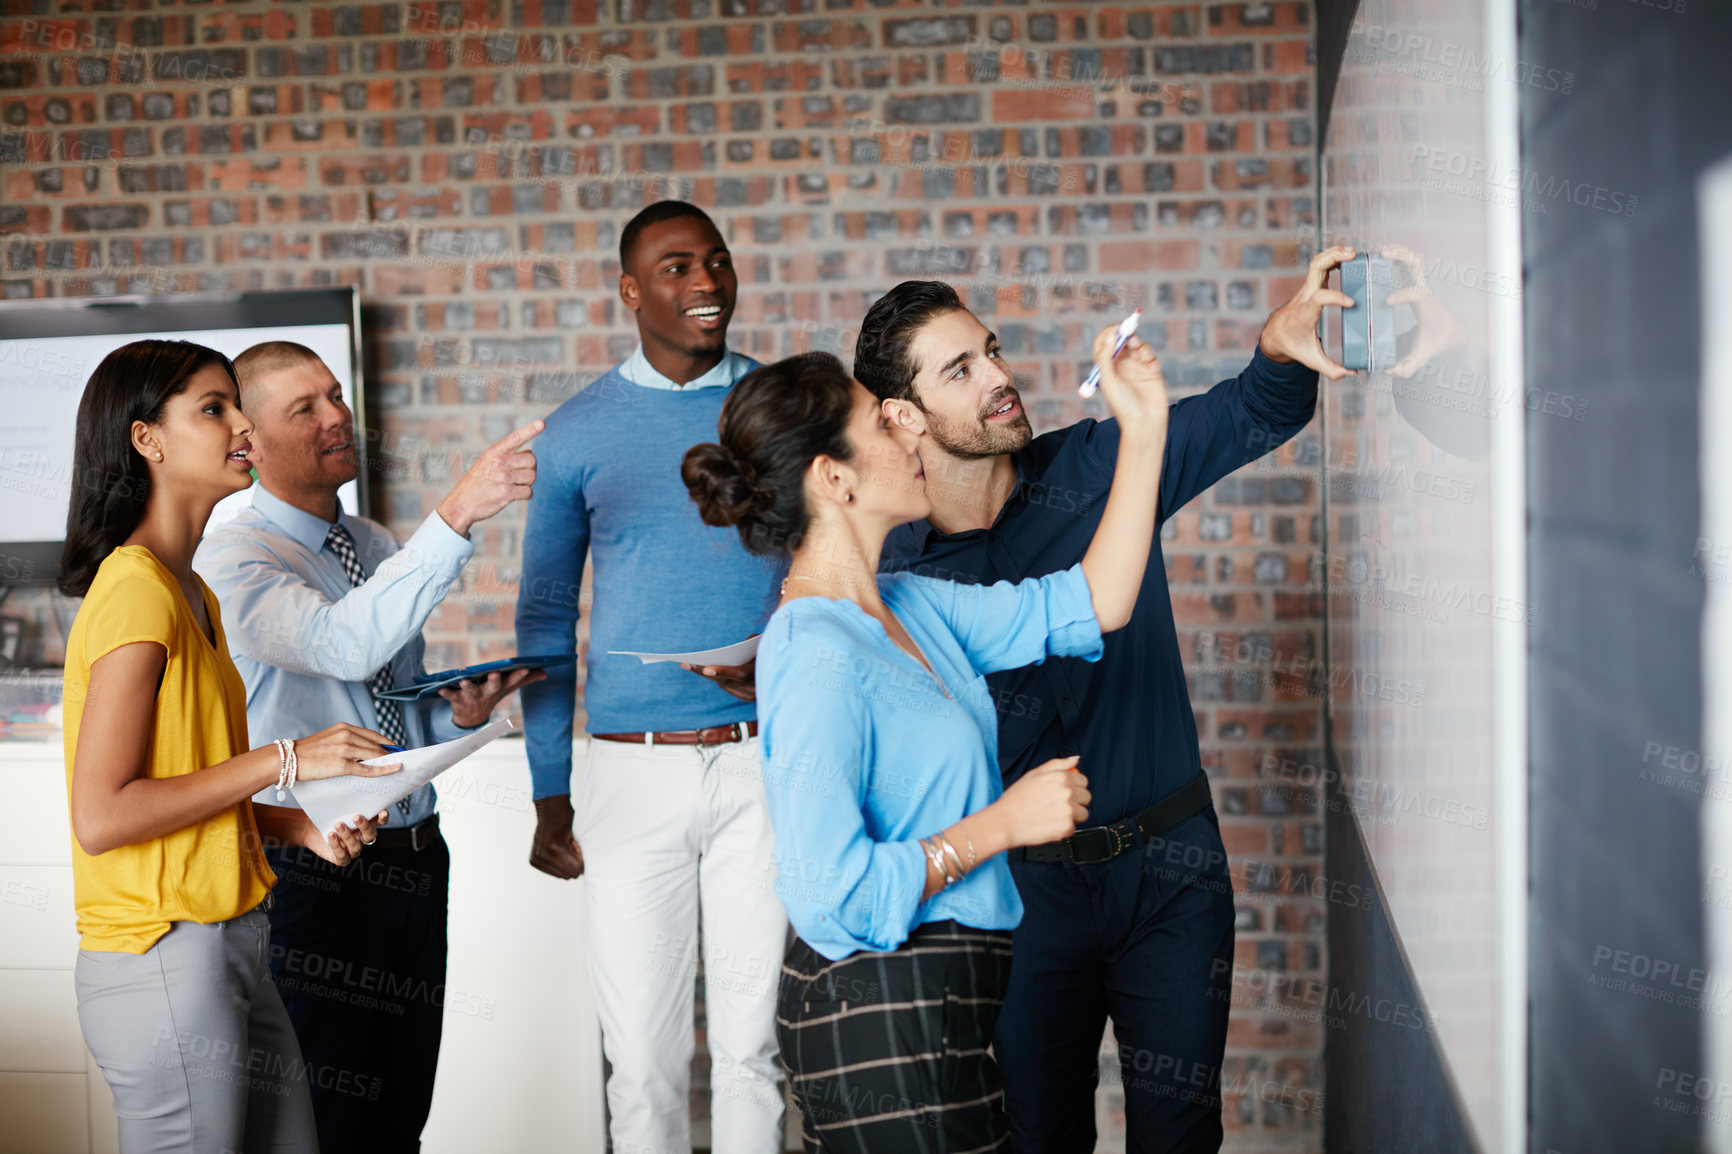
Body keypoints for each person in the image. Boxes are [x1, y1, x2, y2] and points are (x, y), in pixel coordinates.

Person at [852, 249, 1357, 1154]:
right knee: (1037, 1137)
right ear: (902, 414)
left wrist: (1278, 349)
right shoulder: (893, 578)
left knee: (1180, 1134)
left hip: (1170, 875)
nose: (1001, 379)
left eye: (993, 352)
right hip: (1019, 900)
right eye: (961, 371)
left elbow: (1259, 408)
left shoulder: (1100, 463)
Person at [681, 331, 1167, 1152]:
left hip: (953, 999)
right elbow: (829, 896)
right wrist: (1003, 826)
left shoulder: (912, 607)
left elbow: (1096, 600)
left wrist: (1145, 432)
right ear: (833, 478)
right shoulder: (811, 652)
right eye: (884, 425)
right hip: (877, 1010)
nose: (913, 432)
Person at [194, 342, 543, 1153]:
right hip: (318, 870)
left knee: (398, 1117)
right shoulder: (234, 557)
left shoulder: (377, 544)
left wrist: (455, 720)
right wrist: (457, 512)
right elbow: (343, 646)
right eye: (305, 409)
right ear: (252, 438)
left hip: (414, 861)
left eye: (336, 396)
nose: (338, 417)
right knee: (326, 1117)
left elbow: (386, 719)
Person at [59, 339, 400, 1154]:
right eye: (214, 409)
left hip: (234, 943)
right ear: (148, 439)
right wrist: (286, 761)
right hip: (164, 958)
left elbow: (182, 786)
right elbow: (103, 816)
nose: (242, 423)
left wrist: (294, 826)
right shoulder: (136, 592)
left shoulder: (192, 590)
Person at [515, 200, 787, 1154]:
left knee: (757, 1054)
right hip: (629, 774)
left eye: (716, 261)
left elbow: (848, 567)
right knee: (641, 1067)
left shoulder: (784, 411)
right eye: (676, 268)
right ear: (630, 291)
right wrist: (551, 789)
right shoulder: (578, 432)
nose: (706, 283)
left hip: (769, 764)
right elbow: (545, 618)